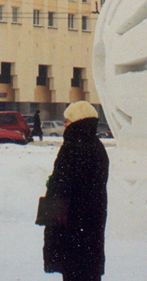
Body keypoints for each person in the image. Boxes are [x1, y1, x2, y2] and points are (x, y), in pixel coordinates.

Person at [42, 101, 109, 281]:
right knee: (87, 272)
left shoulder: (72, 148)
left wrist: (49, 218)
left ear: (78, 122)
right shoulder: (97, 146)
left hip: (71, 225)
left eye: (67, 121)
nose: (64, 125)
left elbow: (61, 189)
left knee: (73, 271)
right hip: (90, 225)